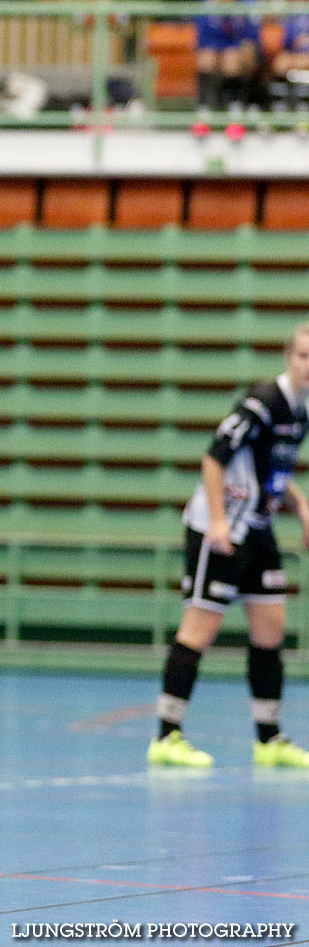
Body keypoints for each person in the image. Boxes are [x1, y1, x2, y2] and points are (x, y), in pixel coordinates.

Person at [148, 322, 309, 769]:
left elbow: (273, 467)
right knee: (199, 630)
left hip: (258, 529)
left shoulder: (301, 410)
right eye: (303, 357)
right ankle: (166, 735)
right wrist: (217, 522)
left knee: (271, 627)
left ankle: (269, 738)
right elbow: (214, 458)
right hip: (219, 531)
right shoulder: (261, 402)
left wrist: (300, 505)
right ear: (288, 358)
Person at [194, 0, 262, 109]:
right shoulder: (207, 3)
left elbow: (252, 35)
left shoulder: (248, 2)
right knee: (206, 58)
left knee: (232, 59)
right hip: (217, 47)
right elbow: (203, 38)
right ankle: (205, 107)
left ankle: (235, 105)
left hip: (240, 49)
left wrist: (240, 49)